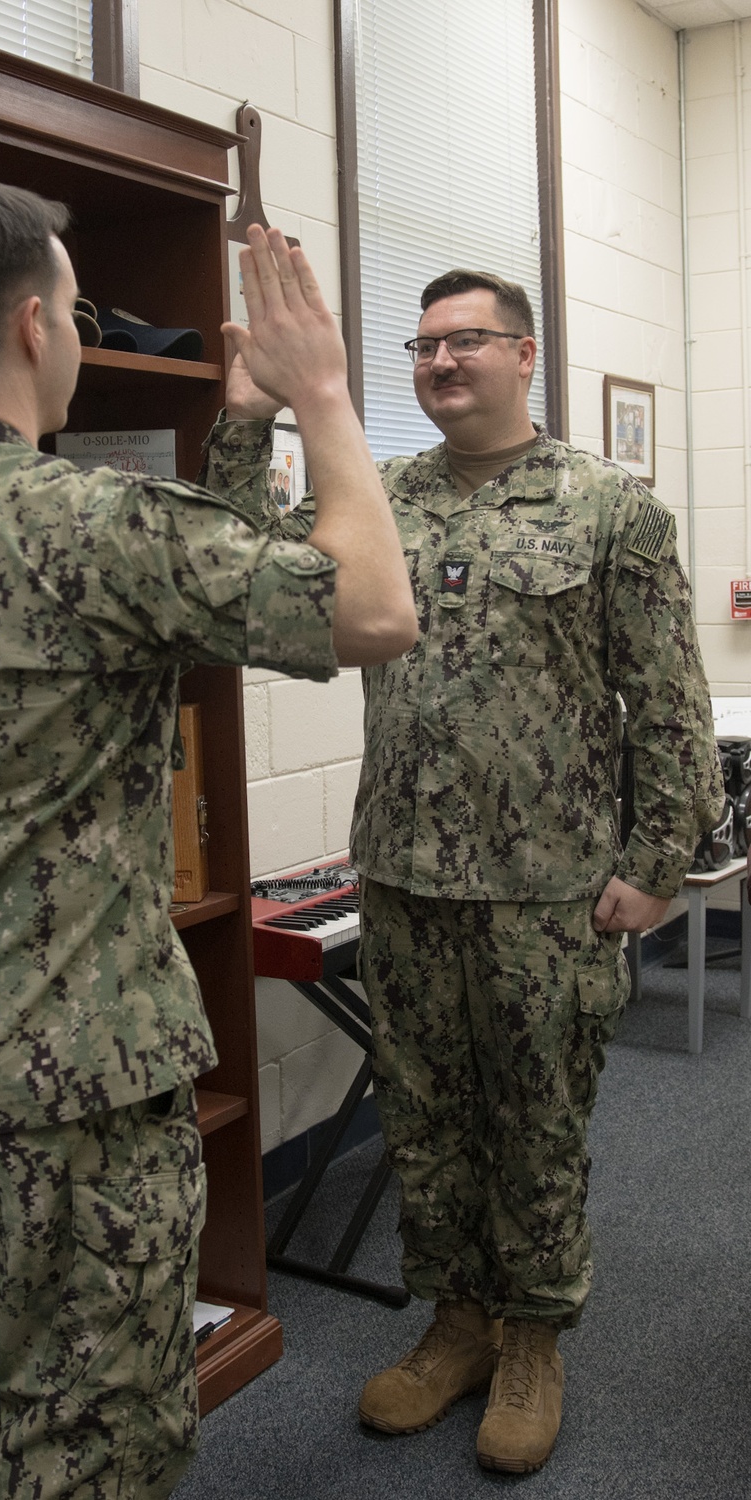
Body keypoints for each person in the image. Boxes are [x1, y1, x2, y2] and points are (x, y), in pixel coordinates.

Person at [0, 179, 416, 1500]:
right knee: (95, 1450)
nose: (74, 334)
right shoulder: (83, 524)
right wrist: (325, 399)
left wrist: (234, 435)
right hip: (76, 1104)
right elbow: (375, 608)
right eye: (74, 309)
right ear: (30, 326)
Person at [203, 267, 724, 1474]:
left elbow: (667, 706)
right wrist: (244, 419)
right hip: (402, 876)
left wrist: (656, 866)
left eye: (466, 342)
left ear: (526, 355)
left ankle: (534, 1335)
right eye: (422, 346)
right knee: (424, 1121)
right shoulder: (376, 497)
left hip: (549, 890)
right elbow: (244, 562)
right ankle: (456, 1324)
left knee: (536, 1123)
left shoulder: (608, 508)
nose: (439, 363)